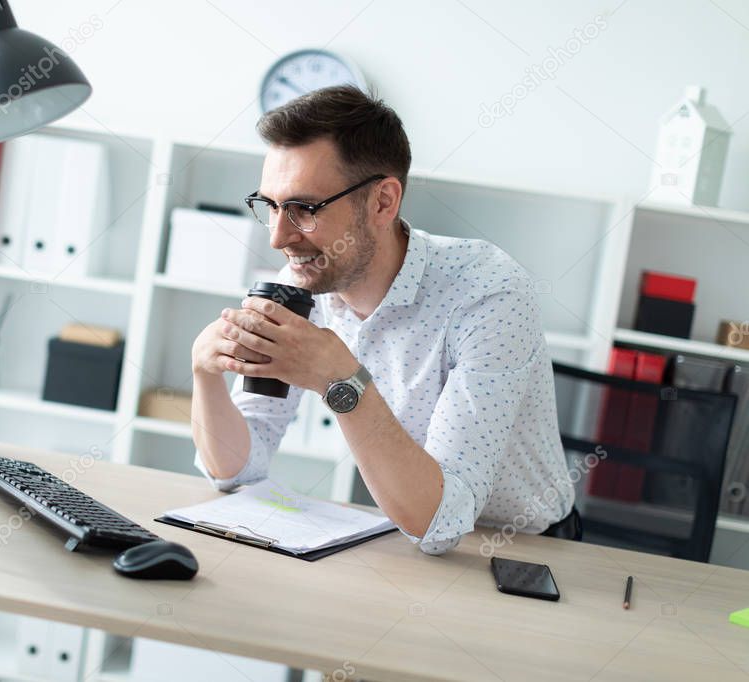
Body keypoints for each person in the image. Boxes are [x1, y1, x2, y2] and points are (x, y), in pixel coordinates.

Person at [189, 85, 579, 555]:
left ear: (382, 202)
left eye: (303, 209)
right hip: (402, 533)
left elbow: (444, 523)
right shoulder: (303, 281)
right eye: (270, 206)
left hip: (525, 549)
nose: (278, 237)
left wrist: (341, 380)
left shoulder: (490, 294)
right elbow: (239, 469)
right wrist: (204, 375)